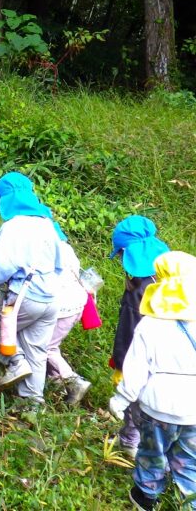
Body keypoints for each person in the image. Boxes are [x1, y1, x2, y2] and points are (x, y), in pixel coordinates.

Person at [109, 251, 196, 511]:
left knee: (152, 454)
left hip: (157, 408)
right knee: (190, 460)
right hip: (193, 411)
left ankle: (146, 497)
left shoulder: (151, 324)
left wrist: (121, 398)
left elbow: (136, 369)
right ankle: (188, 500)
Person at [0, 172, 64, 406]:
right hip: (51, 298)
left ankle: (15, 361)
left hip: (26, 296)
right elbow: (60, 263)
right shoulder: (46, 223)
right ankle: (33, 404)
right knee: (36, 350)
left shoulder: (13, 227)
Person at [109, 215, 170, 459]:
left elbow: (129, 329)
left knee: (138, 400)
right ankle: (130, 437)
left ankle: (138, 446)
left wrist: (121, 362)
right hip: (175, 355)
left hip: (144, 354)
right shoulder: (169, 276)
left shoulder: (139, 291)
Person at [46, 232, 91, 405]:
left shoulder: (48, 249)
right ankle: (58, 384)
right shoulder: (66, 248)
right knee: (50, 345)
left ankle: (73, 381)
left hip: (63, 306)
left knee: (46, 347)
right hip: (77, 303)